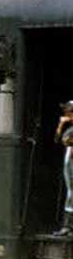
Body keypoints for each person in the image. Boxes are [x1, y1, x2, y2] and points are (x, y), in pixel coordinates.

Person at [53, 101, 73, 237]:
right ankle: (67, 226)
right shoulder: (69, 129)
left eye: (68, 111)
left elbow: (67, 141)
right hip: (69, 165)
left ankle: (67, 226)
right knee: (71, 193)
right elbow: (57, 139)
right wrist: (60, 124)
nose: (66, 114)